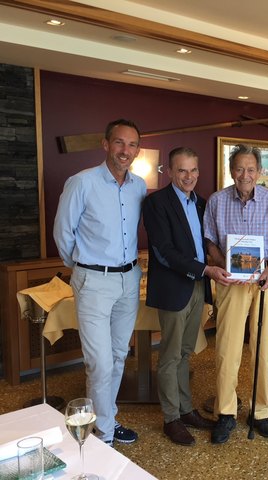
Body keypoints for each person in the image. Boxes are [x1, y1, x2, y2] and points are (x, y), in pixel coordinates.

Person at [53, 118, 146, 446]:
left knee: (120, 355)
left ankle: (105, 420)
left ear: (137, 150)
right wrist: (82, 267)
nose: (126, 150)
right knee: (100, 362)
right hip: (93, 279)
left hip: (129, 279)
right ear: (106, 144)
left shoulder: (139, 185)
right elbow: (63, 233)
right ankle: (102, 438)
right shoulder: (82, 183)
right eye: (119, 143)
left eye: (132, 144)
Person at [204, 144, 268, 444]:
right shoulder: (216, 201)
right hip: (231, 281)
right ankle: (226, 412)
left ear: (259, 172)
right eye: (240, 168)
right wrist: (222, 265)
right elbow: (210, 242)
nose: (245, 175)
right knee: (227, 347)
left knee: (263, 346)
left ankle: (259, 411)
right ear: (231, 171)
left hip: (265, 279)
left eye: (251, 169)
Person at [143, 147, 217, 446]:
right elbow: (163, 251)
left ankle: (186, 410)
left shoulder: (201, 202)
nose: (189, 176)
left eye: (193, 171)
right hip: (175, 286)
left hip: (198, 286)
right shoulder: (156, 203)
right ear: (170, 172)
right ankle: (171, 417)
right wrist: (204, 269)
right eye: (182, 171)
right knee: (170, 356)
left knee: (186, 352)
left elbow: (208, 241)